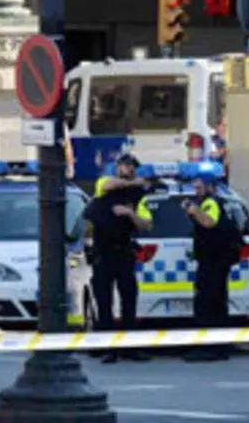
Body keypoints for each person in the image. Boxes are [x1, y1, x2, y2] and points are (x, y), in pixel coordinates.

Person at [85, 153, 153, 364]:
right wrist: (134, 182)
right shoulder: (104, 183)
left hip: (124, 253)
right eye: (125, 165)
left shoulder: (137, 197)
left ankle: (129, 347)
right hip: (103, 254)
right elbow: (108, 186)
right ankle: (108, 348)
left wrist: (130, 214)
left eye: (132, 166)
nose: (129, 169)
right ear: (118, 167)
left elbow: (147, 225)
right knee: (104, 301)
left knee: (129, 299)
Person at [182, 172, 244, 362]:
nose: (196, 188)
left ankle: (209, 348)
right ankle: (218, 347)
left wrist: (193, 211)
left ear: (210, 186)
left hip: (213, 262)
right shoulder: (223, 202)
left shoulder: (211, 203)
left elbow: (209, 222)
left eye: (199, 185)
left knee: (206, 305)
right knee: (216, 304)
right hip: (216, 261)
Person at [210, 118, 229, 182]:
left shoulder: (229, 139)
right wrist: (225, 149)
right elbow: (214, 155)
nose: (225, 128)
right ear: (217, 126)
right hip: (218, 171)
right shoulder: (213, 140)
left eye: (226, 126)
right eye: (223, 125)